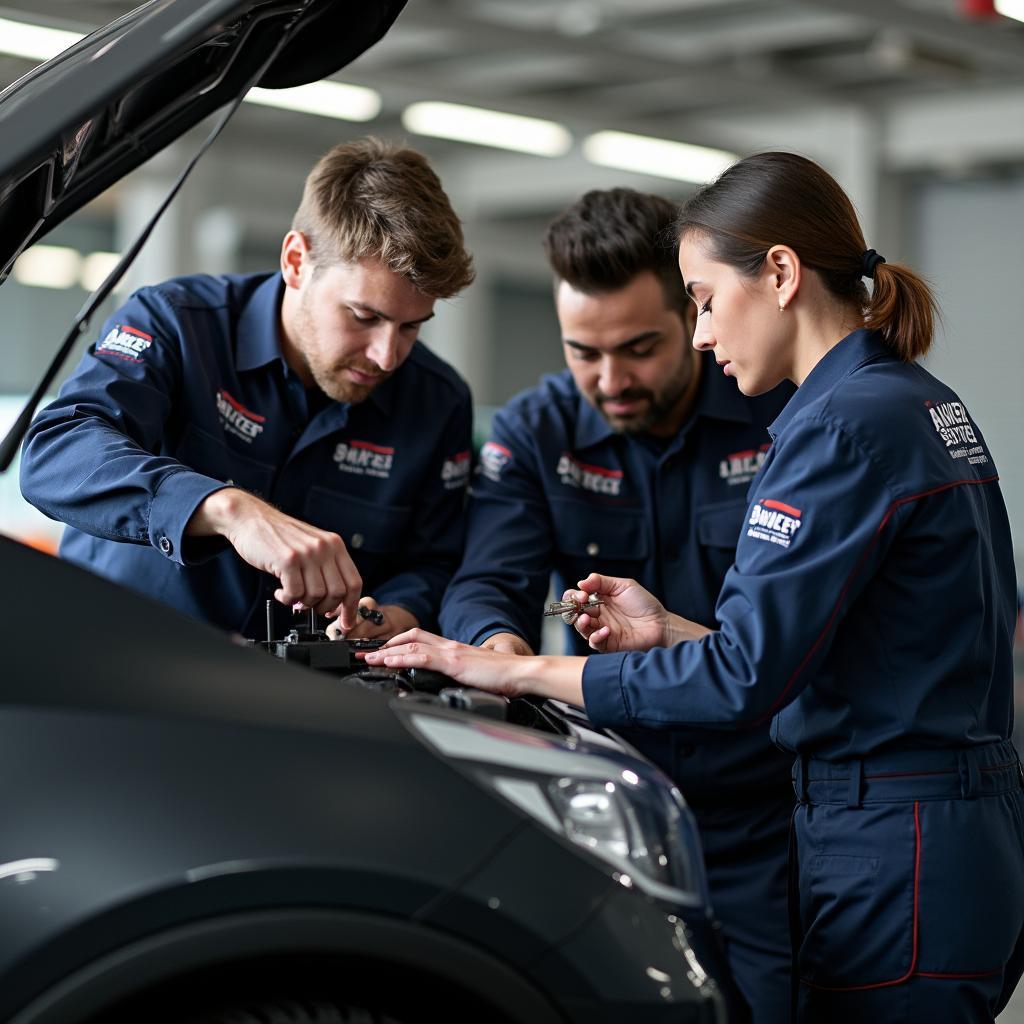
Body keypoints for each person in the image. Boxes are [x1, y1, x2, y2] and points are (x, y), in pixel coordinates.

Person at [365, 152, 1024, 1023]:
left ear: (781, 273)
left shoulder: (834, 428)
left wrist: (512, 673)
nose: (705, 332)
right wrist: (674, 629)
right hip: (937, 828)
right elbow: (847, 644)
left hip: (886, 837)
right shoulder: (908, 400)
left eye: (705, 301)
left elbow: (745, 679)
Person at [439, 188, 794, 1022]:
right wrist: (496, 651)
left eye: (639, 349)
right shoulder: (535, 432)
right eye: (584, 353)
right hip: (616, 803)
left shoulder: (776, 408)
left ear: (695, 313)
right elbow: (488, 579)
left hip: (771, 806)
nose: (611, 380)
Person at [20, 137, 475, 641]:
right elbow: (56, 451)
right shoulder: (176, 324)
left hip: (298, 698)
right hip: (111, 660)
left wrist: (392, 614)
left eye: (412, 327)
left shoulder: (438, 400)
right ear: (297, 261)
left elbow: (436, 563)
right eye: (364, 316)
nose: (387, 355)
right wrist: (227, 509)